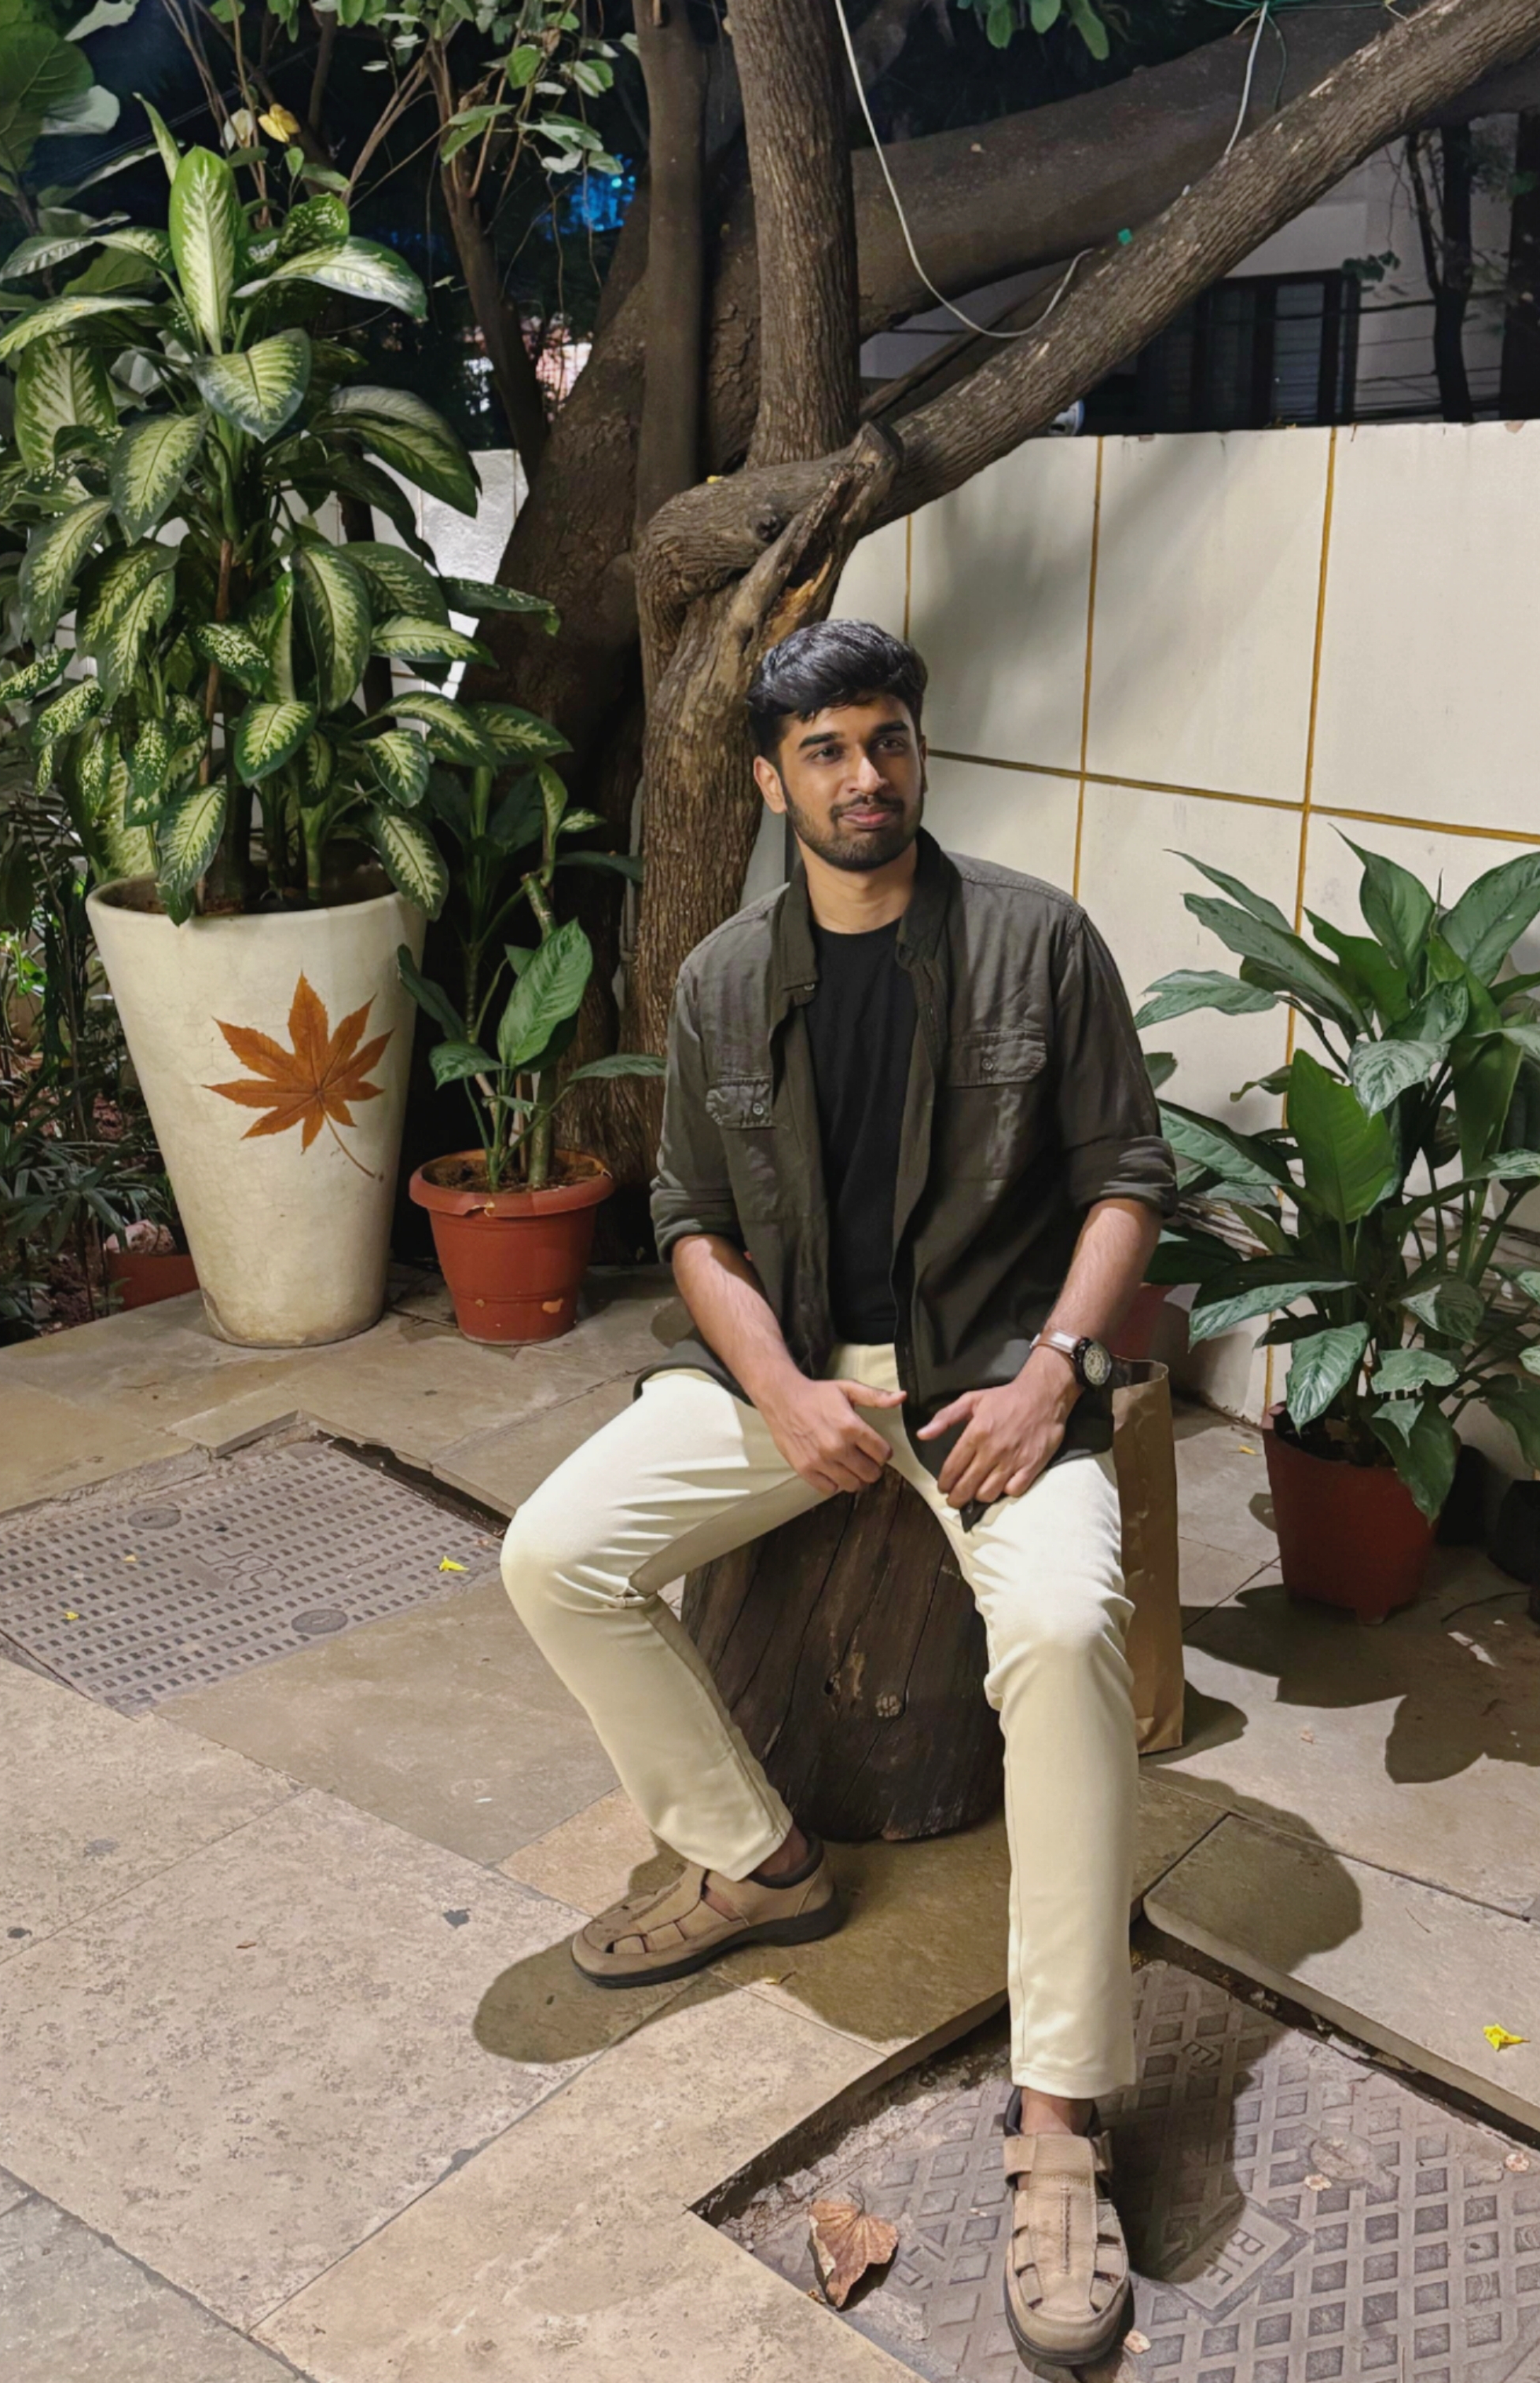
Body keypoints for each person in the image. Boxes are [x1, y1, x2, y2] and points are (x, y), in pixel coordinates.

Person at [500, 619, 1175, 2366]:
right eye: (826, 751)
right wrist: (786, 1391)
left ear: (917, 752)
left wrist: (1054, 1375)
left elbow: (1125, 1176)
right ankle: (759, 1860)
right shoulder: (727, 977)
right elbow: (689, 1221)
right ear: (768, 779)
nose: (864, 776)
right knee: (556, 1554)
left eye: (887, 741)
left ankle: (1059, 2112)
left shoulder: (1036, 939)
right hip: (791, 1374)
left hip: (993, 1387)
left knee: (1061, 1634)